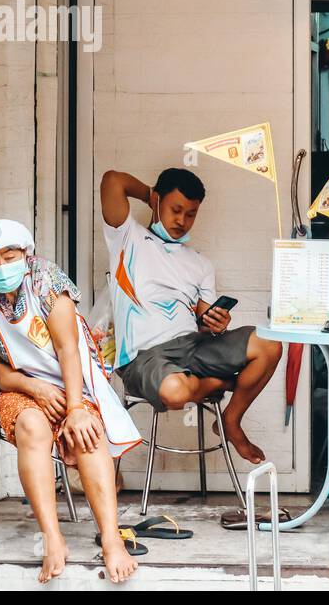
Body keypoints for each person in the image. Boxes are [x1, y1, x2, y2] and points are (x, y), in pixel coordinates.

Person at [0, 219, 141, 584]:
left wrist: (75, 408)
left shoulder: (47, 281)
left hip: (70, 380)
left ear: (26, 254)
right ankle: (52, 538)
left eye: (8, 256)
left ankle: (110, 537)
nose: (0, 266)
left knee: (87, 432)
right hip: (17, 389)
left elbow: (67, 349)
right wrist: (34, 389)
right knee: (31, 425)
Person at [99, 167, 282, 464]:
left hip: (194, 346)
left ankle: (230, 420)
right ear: (159, 201)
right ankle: (220, 382)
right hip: (145, 356)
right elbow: (112, 180)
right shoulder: (127, 238)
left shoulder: (200, 264)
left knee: (269, 343)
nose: (182, 221)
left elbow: (202, 320)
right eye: (175, 209)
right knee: (174, 392)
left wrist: (217, 324)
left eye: (191, 214)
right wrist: (150, 195)